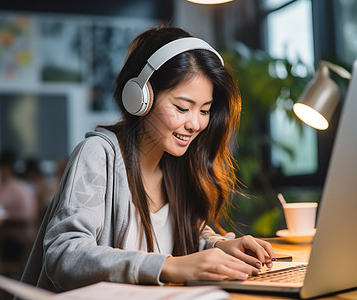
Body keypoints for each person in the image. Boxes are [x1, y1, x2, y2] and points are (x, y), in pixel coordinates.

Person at [19, 25, 275, 293]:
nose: (195, 124)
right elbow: (65, 255)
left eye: (205, 110)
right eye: (182, 108)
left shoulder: (176, 162)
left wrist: (218, 245)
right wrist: (169, 266)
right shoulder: (98, 154)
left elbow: (183, 233)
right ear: (140, 97)